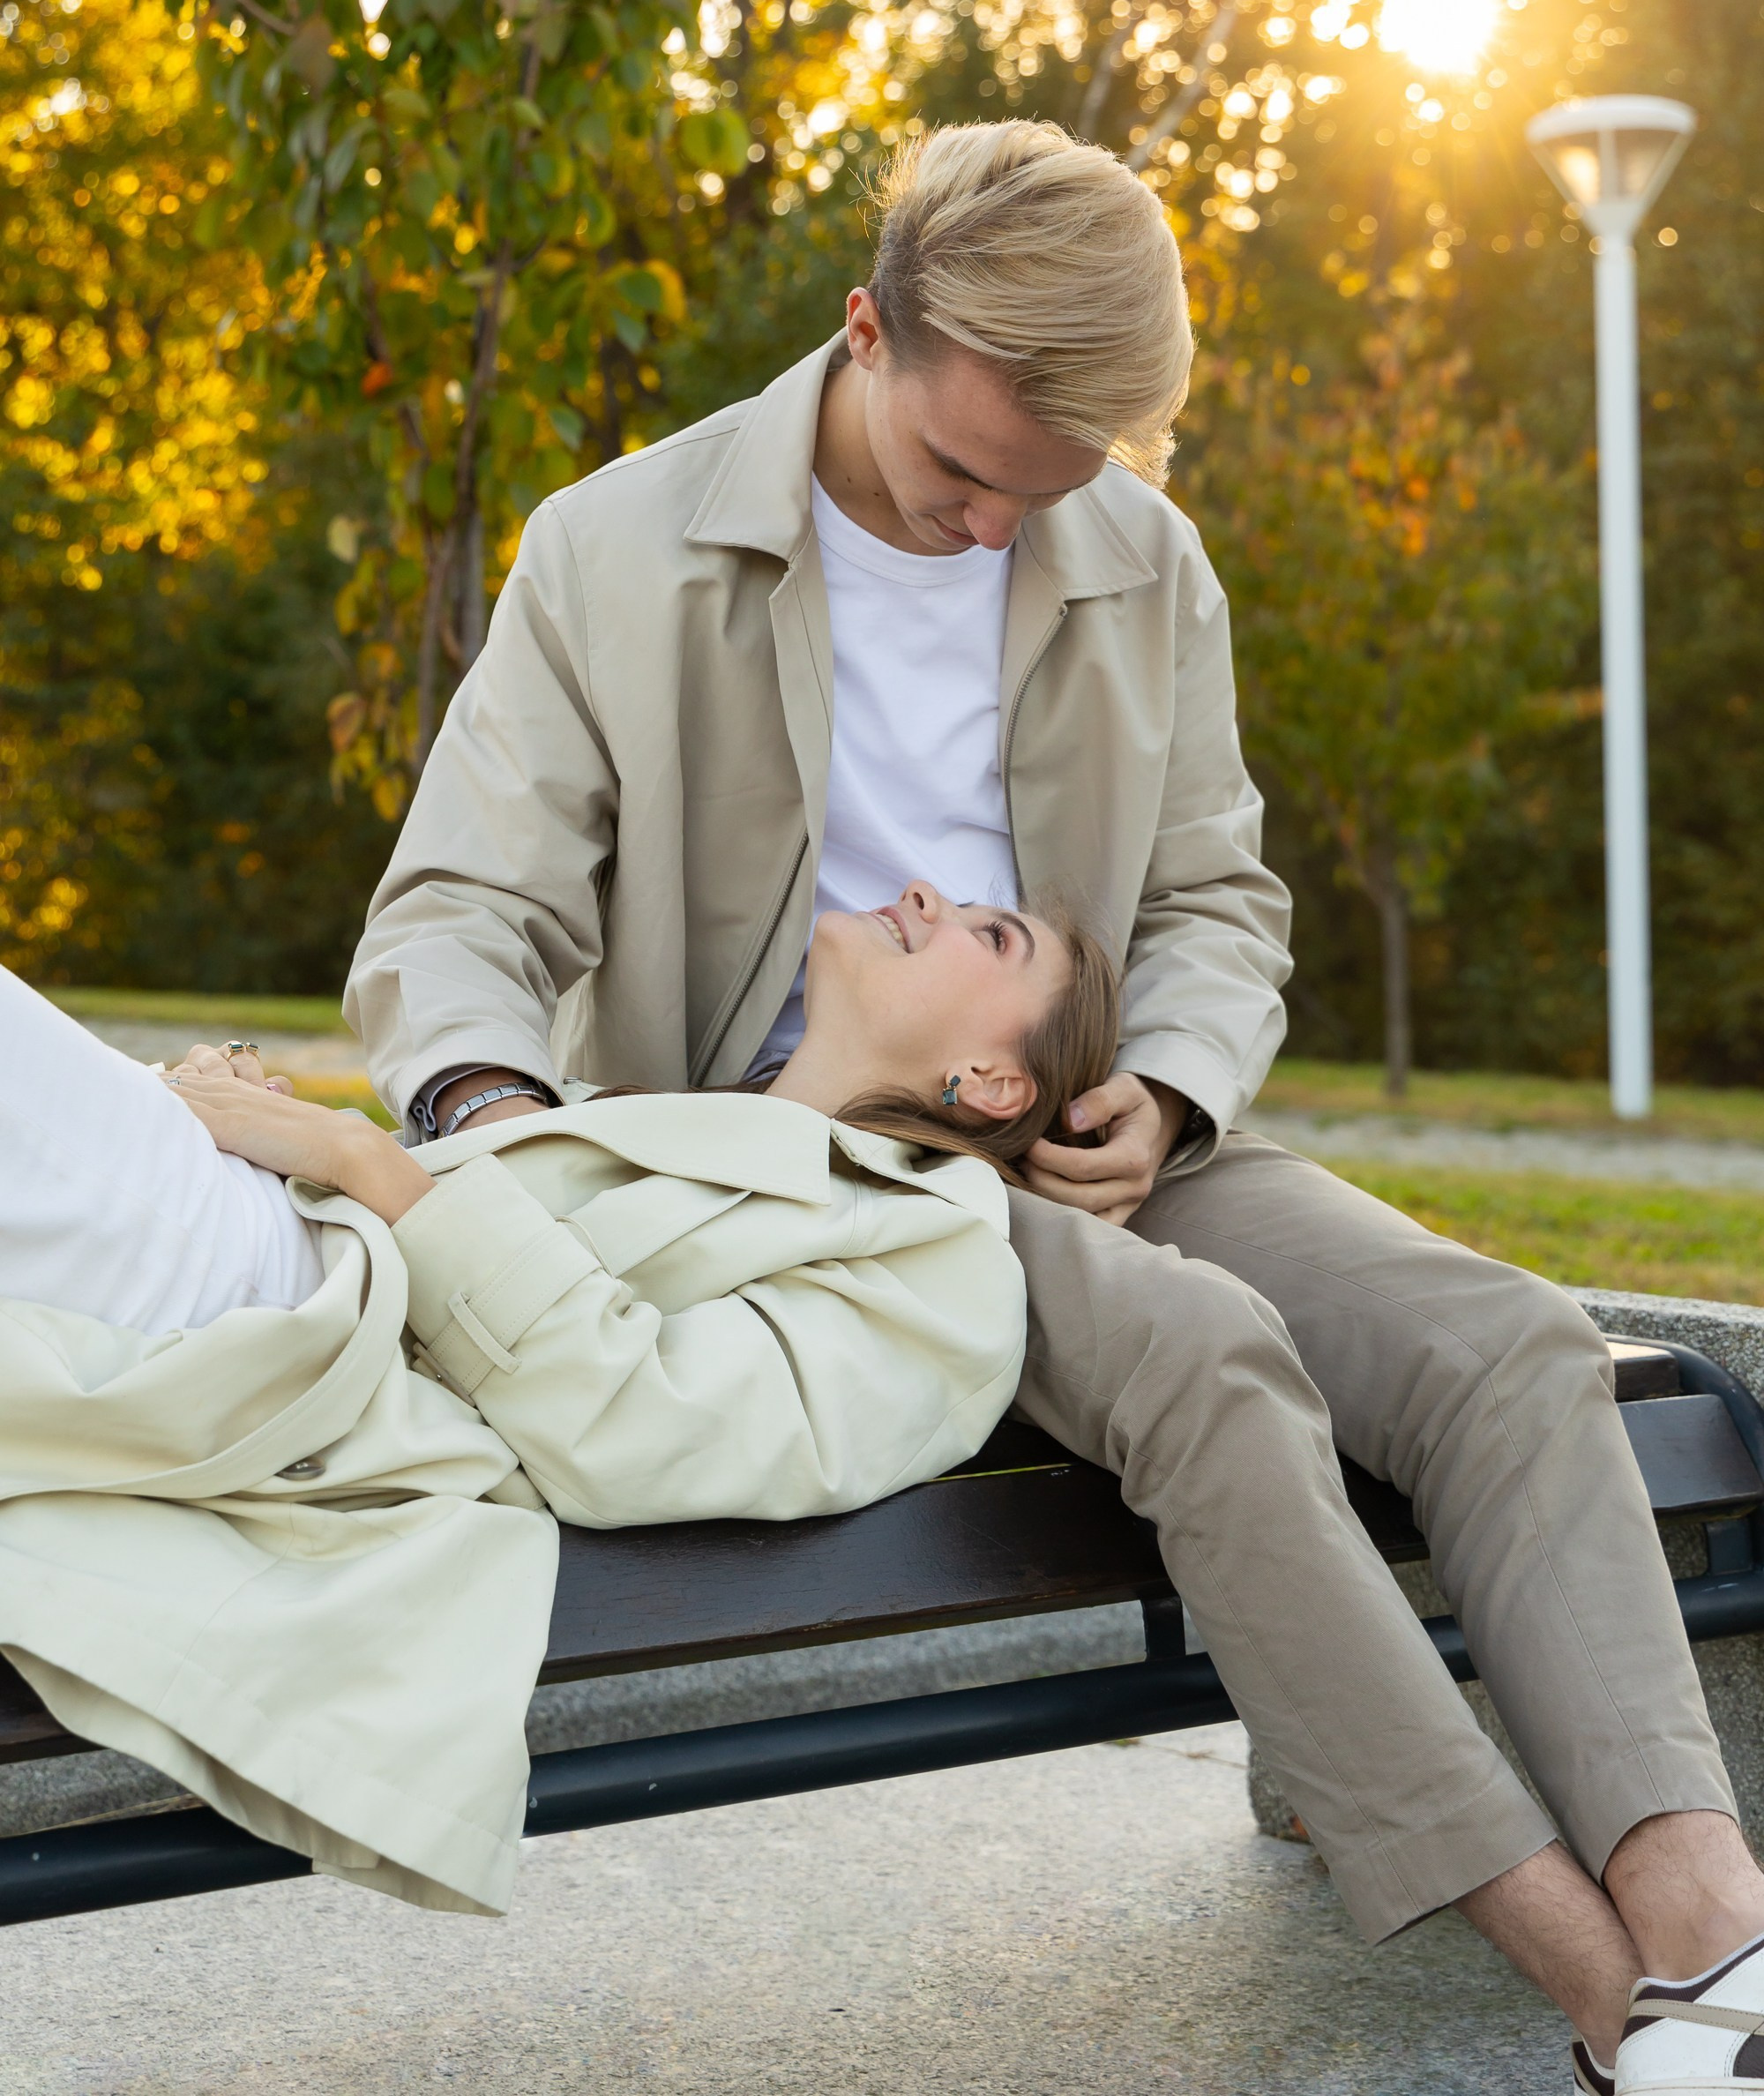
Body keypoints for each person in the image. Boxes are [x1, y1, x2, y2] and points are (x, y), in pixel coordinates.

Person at [349, 116, 1764, 2085]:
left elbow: (1210, 898)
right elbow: (455, 917)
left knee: (1508, 1347)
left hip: (1086, 1125)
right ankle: (1609, 2003)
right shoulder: (617, 551)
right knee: (1200, 1362)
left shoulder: (1141, 557)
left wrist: (1172, 1096)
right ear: (866, 333)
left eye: (1052, 493)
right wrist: (507, 1130)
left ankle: (1713, 1919)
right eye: (957, 475)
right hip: (809, 1179)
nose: (992, 532)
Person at [0, 887, 1104, 1908]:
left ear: (993, 1084)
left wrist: (359, 1161)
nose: (924, 895)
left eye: (989, 932)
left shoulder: (942, 1265)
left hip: (286, 1331)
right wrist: (251, 1105)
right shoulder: (685, 1115)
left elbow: (634, 1427)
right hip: (266, 1264)